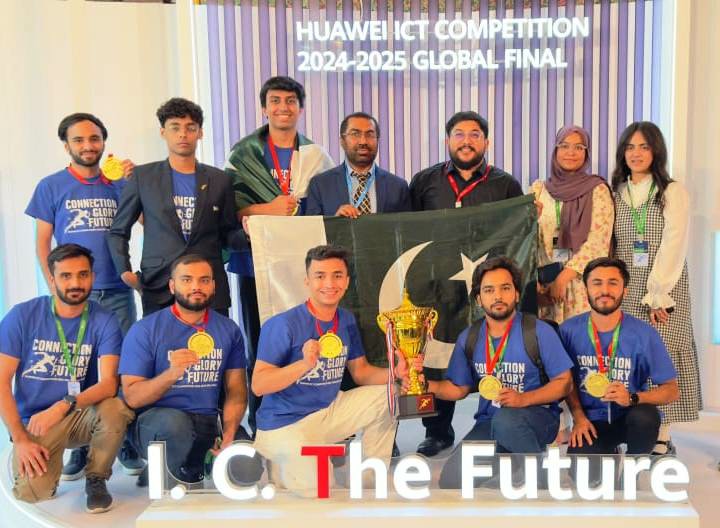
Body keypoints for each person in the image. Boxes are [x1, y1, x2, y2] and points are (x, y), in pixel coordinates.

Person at [24, 112, 144, 483]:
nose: (88, 146)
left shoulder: (118, 181)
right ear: (66, 146)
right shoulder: (51, 186)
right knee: (78, 367)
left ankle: (123, 440)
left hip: (117, 290)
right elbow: (43, 243)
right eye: (79, 140)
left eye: (94, 139)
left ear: (104, 142)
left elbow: (148, 221)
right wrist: (55, 288)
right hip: (74, 294)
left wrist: (135, 182)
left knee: (121, 369)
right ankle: (78, 444)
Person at [409, 111, 523, 457]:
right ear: (448, 140)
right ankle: (436, 431)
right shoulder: (424, 182)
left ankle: (498, 422)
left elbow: (517, 233)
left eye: (475, 134)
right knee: (433, 356)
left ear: (486, 142)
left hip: (487, 291)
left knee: (490, 353)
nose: (467, 141)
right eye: (459, 134)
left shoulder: (505, 184)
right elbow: (405, 231)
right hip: (436, 287)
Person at [251, 245, 408, 495]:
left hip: (328, 412)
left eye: (337, 275)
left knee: (389, 395)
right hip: (285, 424)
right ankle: (278, 462)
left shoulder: (345, 319)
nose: (329, 283)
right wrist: (304, 364)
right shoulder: (282, 324)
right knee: (319, 489)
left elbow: (361, 372)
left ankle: (368, 479)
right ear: (307, 281)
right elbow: (259, 385)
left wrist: (395, 374)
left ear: (346, 281)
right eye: (320, 276)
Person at [225, 76, 334, 436]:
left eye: (290, 101)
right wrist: (268, 209)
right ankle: (263, 422)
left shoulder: (317, 157)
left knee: (306, 340)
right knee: (261, 342)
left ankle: (310, 415)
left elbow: (325, 207)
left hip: (304, 266)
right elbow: (229, 208)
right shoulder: (243, 156)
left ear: (300, 109)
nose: (282, 107)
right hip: (255, 264)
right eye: (275, 101)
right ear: (264, 108)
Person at [0, 244, 134, 513]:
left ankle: (96, 477)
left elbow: (109, 384)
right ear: (51, 279)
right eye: (66, 276)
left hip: (79, 413)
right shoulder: (22, 316)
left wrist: (63, 405)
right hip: (37, 422)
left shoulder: (104, 320)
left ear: (92, 277)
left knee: (116, 408)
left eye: (83, 275)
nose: (75, 283)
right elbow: (2, 381)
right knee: (33, 493)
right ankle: (50, 458)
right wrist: (21, 439)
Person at [419, 257, 572, 488]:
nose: (498, 296)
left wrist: (523, 399)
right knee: (452, 481)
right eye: (489, 290)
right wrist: (423, 384)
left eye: (505, 288)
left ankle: (541, 482)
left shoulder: (538, 331)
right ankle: (514, 462)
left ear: (517, 294)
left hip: (537, 418)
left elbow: (564, 383)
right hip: (490, 423)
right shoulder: (470, 337)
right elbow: (457, 389)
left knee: (507, 420)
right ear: (479, 299)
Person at [119, 254, 262, 487]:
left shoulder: (228, 329)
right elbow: (133, 397)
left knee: (248, 469)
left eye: (204, 280)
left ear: (213, 286)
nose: (196, 286)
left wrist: (229, 433)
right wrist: (171, 374)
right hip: (158, 422)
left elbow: (236, 390)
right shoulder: (145, 330)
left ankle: (192, 462)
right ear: (172, 286)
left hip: (208, 421)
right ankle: (171, 467)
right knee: (175, 426)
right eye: (187, 280)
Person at [107, 97, 246, 316]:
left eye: (190, 128)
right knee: (159, 340)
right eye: (175, 127)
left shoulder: (220, 180)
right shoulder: (143, 177)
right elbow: (118, 230)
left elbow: (227, 234)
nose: (183, 134)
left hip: (208, 287)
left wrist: (249, 234)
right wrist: (125, 272)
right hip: (158, 285)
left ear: (200, 133)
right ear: (163, 132)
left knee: (214, 340)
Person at [611, 121, 701, 454]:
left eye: (644, 147)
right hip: (627, 287)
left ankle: (663, 433)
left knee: (663, 355)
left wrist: (658, 293)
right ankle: (637, 427)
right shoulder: (616, 192)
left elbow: (674, 243)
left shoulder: (672, 192)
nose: (636, 154)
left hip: (663, 285)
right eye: (630, 147)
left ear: (656, 151)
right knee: (632, 356)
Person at [560, 257, 679, 467]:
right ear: (586, 290)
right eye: (597, 283)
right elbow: (564, 381)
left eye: (613, 283)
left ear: (625, 290)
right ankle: (609, 453)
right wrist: (578, 417)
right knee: (585, 478)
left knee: (645, 417)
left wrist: (632, 398)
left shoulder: (644, 333)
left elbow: (671, 390)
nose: (604, 290)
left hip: (630, 416)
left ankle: (634, 468)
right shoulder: (568, 331)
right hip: (591, 422)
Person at [530, 125, 614, 324]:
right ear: (555, 150)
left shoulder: (597, 189)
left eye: (579, 147)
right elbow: (527, 239)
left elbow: (598, 241)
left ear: (586, 153)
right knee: (547, 339)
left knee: (579, 338)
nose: (571, 152)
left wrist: (563, 278)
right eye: (564, 146)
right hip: (545, 285)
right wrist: (533, 281)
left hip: (580, 284)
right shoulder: (539, 189)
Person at [305, 112, 411, 216]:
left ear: (378, 140)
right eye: (355, 134)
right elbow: (312, 227)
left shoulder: (398, 187)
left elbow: (407, 226)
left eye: (370, 134)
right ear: (342, 141)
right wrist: (335, 222)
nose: (363, 141)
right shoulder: (320, 185)